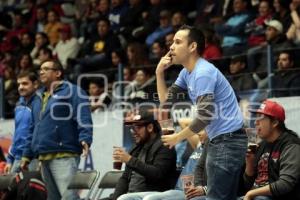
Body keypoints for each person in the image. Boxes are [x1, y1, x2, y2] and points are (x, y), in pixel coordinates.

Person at [156, 25, 247, 200]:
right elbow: (165, 102)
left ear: (192, 47)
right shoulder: (186, 72)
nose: (171, 47)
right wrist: (159, 73)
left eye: (177, 42)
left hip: (228, 141)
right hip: (219, 140)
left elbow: (205, 116)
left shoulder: (203, 73)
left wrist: (177, 137)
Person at [21, 60, 93, 200]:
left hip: (64, 154)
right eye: (40, 69)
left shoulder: (73, 91)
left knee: (69, 197)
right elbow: (33, 128)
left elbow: (83, 116)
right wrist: (26, 155)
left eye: (46, 69)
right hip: (43, 156)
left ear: (58, 73)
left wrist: (85, 138)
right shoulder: (38, 96)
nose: (41, 72)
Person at [110, 109, 177, 200]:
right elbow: (125, 178)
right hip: (128, 196)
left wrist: (130, 160)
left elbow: (158, 174)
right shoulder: (136, 147)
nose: (133, 131)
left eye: (137, 127)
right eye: (132, 128)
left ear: (150, 127)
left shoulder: (165, 145)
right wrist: (114, 198)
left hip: (152, 196)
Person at [240, 100, 300, 200]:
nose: (255, 122)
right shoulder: (261, 145)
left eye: (261, 118)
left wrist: (251, 193)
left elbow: (285, 184)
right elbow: (247, 184)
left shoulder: (291, 145)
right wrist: (249, 163)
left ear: (275, 122)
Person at [4, 72, 39, 174]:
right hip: (18, 158)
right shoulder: (19, 105)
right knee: (10, 189)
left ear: (35, 84)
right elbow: (17, 135)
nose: (20, 87)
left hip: (33, 159)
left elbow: (39, 134)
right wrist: (10, 160)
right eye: (19, 84)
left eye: (25, 83)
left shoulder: (40, 104)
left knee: (31, 189)